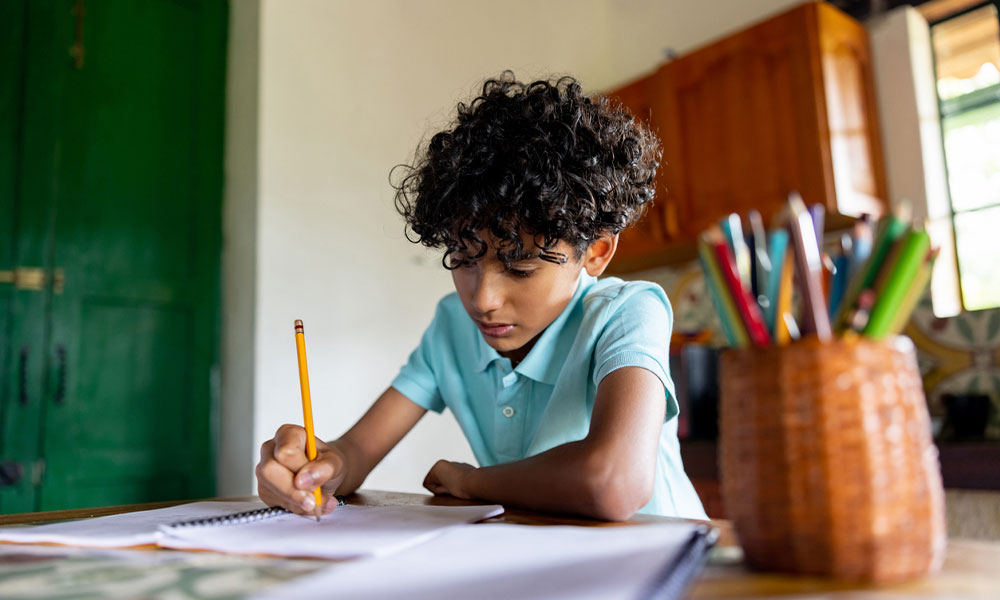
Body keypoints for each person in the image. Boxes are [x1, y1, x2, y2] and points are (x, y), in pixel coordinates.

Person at [255, 72, 707, 521]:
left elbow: (612, 482)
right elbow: (355, 451)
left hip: (671, 570)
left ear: (595, 252)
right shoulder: (453, 324)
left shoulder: (628, 313)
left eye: (520, 268)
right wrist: (319, 468)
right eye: (463, 259)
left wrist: (471, 481)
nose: (484, 299)